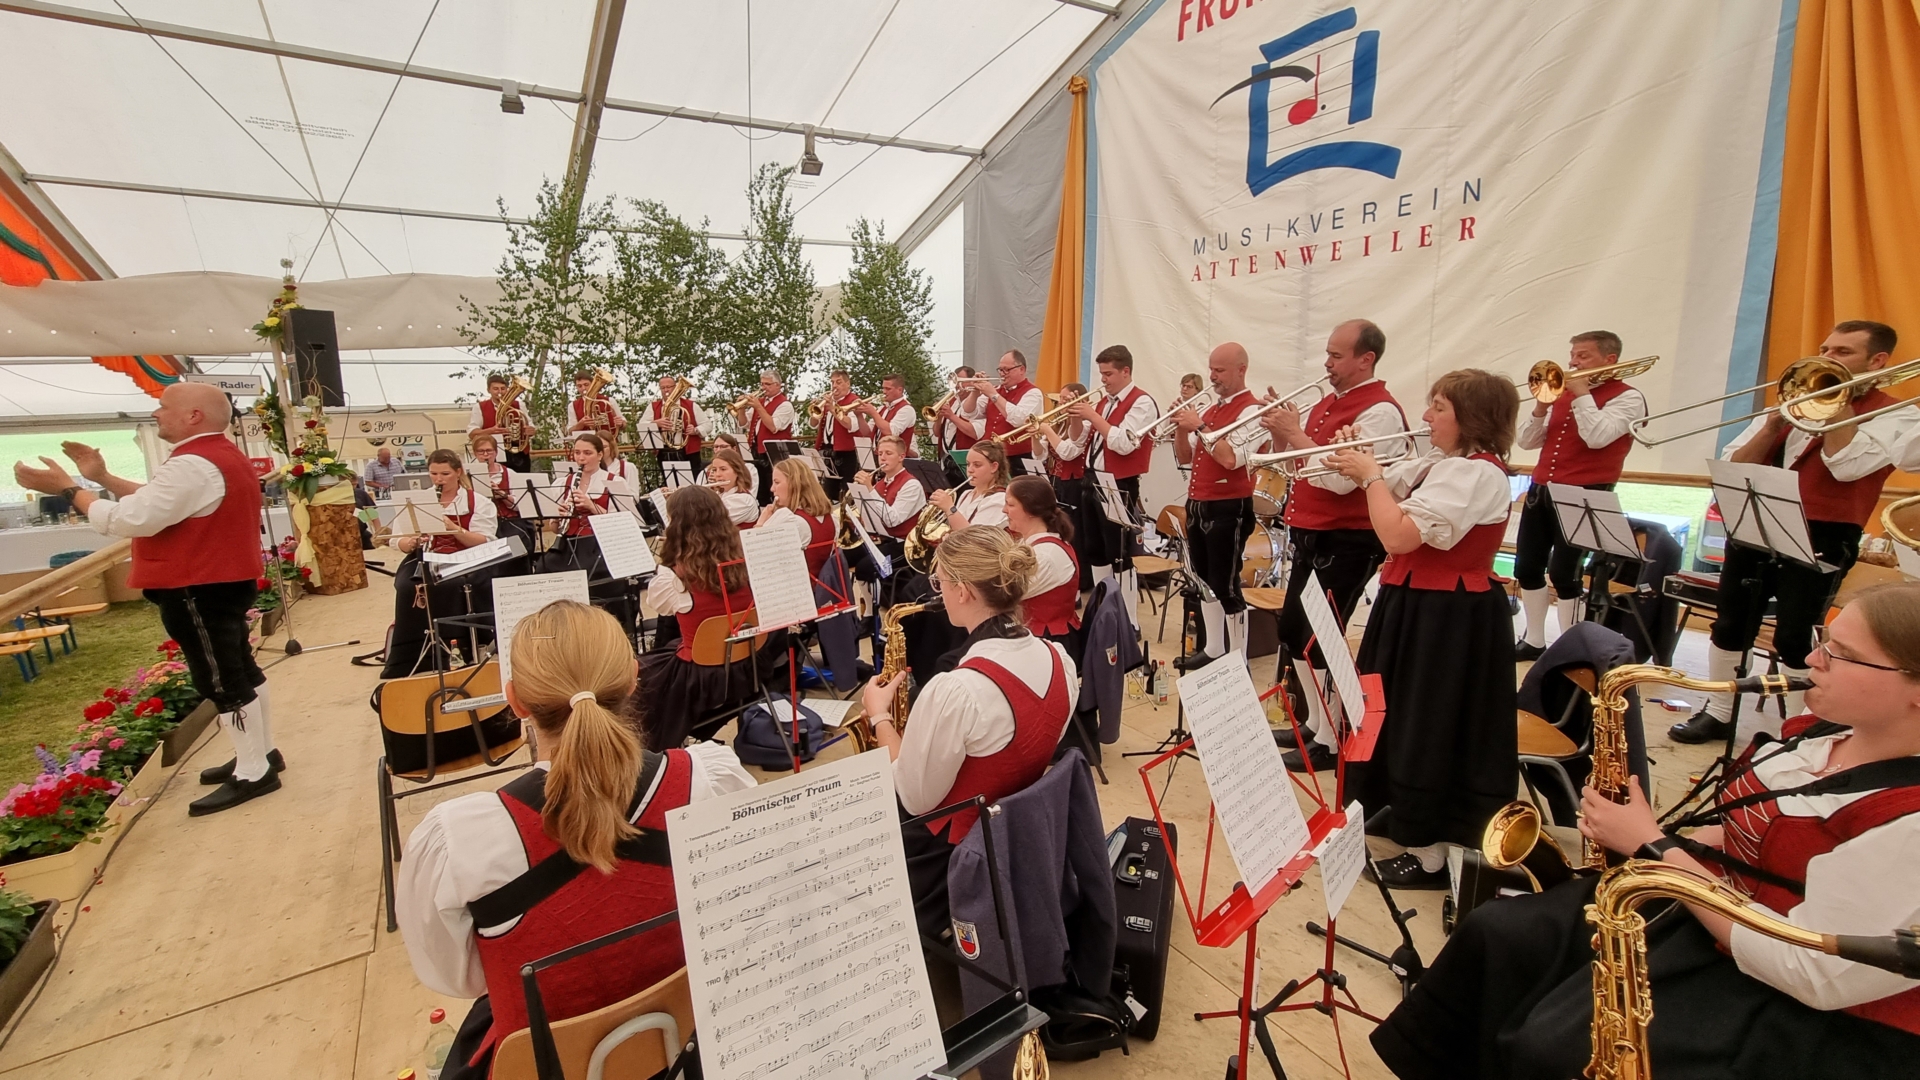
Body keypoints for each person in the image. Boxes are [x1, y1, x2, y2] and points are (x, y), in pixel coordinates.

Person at [1371, 581, 1920, 1079]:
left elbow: (1810, 972)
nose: (1812, 658)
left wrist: (1653, 845)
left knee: (1559, 1047)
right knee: (1497, 933)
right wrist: (1653, 837)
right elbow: (1762, 837)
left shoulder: (1909, 828)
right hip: (1717, 910)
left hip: (1804, 1003)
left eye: (1841, 654)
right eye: (1825, 641)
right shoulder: (1823, 733)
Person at [396, 600, 754, 1080]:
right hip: (688, 1050)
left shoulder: (460, 839)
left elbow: (458, 978)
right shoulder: (708, 781)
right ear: (633, 679)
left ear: (515, 701)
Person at [13, 383, 280, 816]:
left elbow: (129, 518)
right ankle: (261, 754)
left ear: (193, 416)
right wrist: (99, 479)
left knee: (222, 680)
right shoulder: (215, 456)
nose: (155, 413)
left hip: (198, 585)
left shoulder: (193, 462)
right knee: (240, 669)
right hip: (221, 580)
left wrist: (68, 489)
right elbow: (158, 500)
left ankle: (255, 771)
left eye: (163, 406)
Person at [1675, 320, 1919, 743]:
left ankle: (1798, 729)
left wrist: (1837, 402)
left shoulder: (1896, 413)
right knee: (1731, 622)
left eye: (1842, 352)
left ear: (1877, 361)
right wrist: (1772, 424)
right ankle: (1719, 711)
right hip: (1758, 521)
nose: (1826, 358)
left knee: (1794, 634)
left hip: (1826, 532)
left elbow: (1847, 467)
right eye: (1825, 349)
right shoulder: (1796, 399)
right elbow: (1732, 465)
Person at [1326, 369, 1520, 888]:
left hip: (1448, 616)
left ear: (1470, 418)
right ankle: (1396, 811)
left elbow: (1398, 535)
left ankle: (1433, 850)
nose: (1426, 416)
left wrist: (1370, 477)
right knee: (1395, 714)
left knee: (1430, 723)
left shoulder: (1477, 475)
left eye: (1439, 407)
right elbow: (1379, 487)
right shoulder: (1441, 465)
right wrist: (1356, 459)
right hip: (1417, 604)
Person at [861, 525, 1078, 938]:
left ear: (962, 591)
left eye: (939, 582)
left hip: (951, 862)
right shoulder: (1059, 659)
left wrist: (879, 716)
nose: (937, 592)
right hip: (1021, 834)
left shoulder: (958, 690)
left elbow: (915, 799)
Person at [1259, 319, 1409, 771]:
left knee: (1320, 638)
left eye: (1336, 356)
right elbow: (1300, 466)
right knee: (1292, 631)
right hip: (1312, 532)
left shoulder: (1380, 412)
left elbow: (1341, 480)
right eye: (1327, 353)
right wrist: (1281, 431)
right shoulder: (1329, 402)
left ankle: (1332, 736)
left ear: (1367, 359)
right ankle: (1315, 722)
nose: (1327, 363)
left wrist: (1295, 433)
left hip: (1348, 538)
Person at [1512, 330, 1648, 659]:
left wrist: (1582, 393)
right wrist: (1541, 407)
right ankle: (1534, 640)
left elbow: (1598, 437)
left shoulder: (1629, 398)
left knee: (1565, 574)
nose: (1573, 362)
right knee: (1527, 568)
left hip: (1586, 493)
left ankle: (1569, 648)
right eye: (1573, 355)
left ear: (1609, 359)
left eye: (1583, 356)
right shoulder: (1563, 394)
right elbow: (1526, 442)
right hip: (1542, 490)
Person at [636, 486, 758, 751]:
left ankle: (652, 748)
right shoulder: (745, 559)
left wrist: (668, 562)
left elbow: (659, 606)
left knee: (635, 677)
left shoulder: (674, 577)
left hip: (700, 676)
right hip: (748, 664)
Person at [1171, 342, 1269, 668]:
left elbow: (1230, 459)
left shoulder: (1251, 411)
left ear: (1241, 370)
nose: (1213, 376)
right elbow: (1185, 457)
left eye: (1220, 370)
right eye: (1211, 369)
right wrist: (1180, 427)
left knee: (1226, 585)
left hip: (1228, 506)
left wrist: (1198, 425)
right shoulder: (1211, 410)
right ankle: (1213, 648)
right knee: (1203, 580)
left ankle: (1238, 658)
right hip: (1198, 502)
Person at [379, 450, 500, 679]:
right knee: (407, 586)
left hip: (465, 558)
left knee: (450, 585)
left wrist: (452, 527)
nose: (439, 479)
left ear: (458, 472)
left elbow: (484, 541)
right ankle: (411, 656)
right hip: (425, 556)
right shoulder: (416, 501)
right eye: (434, 474)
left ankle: (457, 652)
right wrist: (410, 542)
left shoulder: (478, 502)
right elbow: (397, 541)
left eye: (445, 474)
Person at [1070, 345, 1158, 629]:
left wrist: (1093, 416)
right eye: (1102, 373)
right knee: (1095, 550)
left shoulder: (1142, 402)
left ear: (1125, 371)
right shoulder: (1103, 403)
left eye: (1108, 374)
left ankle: (1129, 621)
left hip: (1119, 483)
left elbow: (1123, 443)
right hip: (1091, 479)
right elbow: (1078, 440)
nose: (1103, 379)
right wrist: (1075, 417)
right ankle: (1103, 613)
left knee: (1120, 554)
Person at [1006, 475, 1080, 648]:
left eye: (1010, 505)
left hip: (1047, 643)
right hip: (1030, 635)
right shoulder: (1030, 542)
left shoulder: (1045, 556)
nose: (1004, 510)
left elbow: (1005, 594)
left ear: (1030, 510)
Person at [1036, 382, 1094, 589]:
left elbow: (1068, 452)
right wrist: (1035, 436)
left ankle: (1081, 580)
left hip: (1075, 482)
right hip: (1056, 479)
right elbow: (1040, 455)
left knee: (1074, 531)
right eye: (1060, 398)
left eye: (1065, 399)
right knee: (1058, 528)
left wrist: (1046, 430)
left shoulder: (1084, 424)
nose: (1060, 402)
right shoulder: (1059, 424)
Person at [851, 436, 927, 583]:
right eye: (880, 454)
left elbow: (892, 520)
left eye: (888, 453)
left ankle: (878, 597)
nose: (883, 458)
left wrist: (869, 489)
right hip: (882, 540)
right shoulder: (880, 483)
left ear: (901, 457)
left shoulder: (911, 485)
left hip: (905, 545)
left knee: (865, 568)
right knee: (842, 556)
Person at [539, 434, 615, 575]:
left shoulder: (614, 481)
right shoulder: (563, 483)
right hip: (567, 543)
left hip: (598, 544)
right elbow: (555, 529)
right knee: (543, 567)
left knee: (584, 570)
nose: (581, 458)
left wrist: (591, 506)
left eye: (587, 453)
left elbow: (620, 523)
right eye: (577, 452)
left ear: (599, 455)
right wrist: (558, 517)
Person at [757, 457, 838, 581]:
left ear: (794, 485)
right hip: (822, 589)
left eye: (777, 482)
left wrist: (761, 523)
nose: (772, 489)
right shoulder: (832, 519)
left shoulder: (789, 520)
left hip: (792, 588)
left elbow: (757, 557)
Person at [466, 434, 535, 561]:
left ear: (496, 452)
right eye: (481, 451)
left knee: (518, 551)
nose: (485, 455)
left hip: (507, 522)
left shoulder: (509, 473)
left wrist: (502, 494)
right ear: (475, 454)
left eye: (489, 451)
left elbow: (520, 505)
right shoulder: (467, 475)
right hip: (479, 524)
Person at [732, 368, 796, 503]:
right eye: (762, 384)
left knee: (772, 490)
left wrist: (758, 407)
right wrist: (741, 409)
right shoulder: (760, 402)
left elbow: (773, 427)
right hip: (756, 450)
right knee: (758, 490)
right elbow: (744, 424)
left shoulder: (785, 405)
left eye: (767, 384)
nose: (763, 387)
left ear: (778, 385)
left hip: (774, 455)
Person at [981, 351, 1046, 475]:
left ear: (1021, 369)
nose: (1002, 374)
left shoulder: (1033, 393)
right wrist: (975, 392)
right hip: (990, 455)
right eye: (1000, 370)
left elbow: (1019, 420)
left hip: (1018, 459)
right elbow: (970, 413)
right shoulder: (996, 390)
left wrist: (993, 395)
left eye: (1006, 370)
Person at [927, 442, 1010, 531]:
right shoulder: (966, 494)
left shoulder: (999, 499)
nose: (970, 470)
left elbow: (974, 535)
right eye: (968, 464)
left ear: (994, 467)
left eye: (977, 465)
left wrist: (949, 508)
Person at [466, 373, 534, 473]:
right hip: (493, 454)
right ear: (488, 390)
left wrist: (530, 431)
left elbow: (531, 427)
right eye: (495, 389)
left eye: (503, 389)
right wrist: (491, 431)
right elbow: (472, 433)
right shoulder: (479, 407)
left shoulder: (520, 405)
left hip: (519, 454)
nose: (500, 392)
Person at [934, 367, 988, 487]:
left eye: (962, 381)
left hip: (966, 463)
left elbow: (974, 433)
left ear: (972, 381)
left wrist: (951, 416)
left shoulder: (980, 402)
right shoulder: (952, 401)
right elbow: (937, 433)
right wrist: (938, 418)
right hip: (947, 461)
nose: (958, 385)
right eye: (956, 381)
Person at [812, 370, 866, 492]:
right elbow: (813, 424)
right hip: (828, 452)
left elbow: (852, 426)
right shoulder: (829, 402)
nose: (834, 386)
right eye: (832, 382)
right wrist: (816, 409)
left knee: (846, 491)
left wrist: (833, 409)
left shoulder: (854, 401)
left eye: (839, 382)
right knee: (828, 491)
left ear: (848, 384)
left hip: (847, 455)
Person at [641, 375, 698, 469]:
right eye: (662, 388)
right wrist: (655, 423)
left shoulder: (691, 405)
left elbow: (707, 425)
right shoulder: (653, 406)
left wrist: (695, 430)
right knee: (668, 477)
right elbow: (641, 424)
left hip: (687, 450)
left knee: (692, 477)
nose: (666, 390)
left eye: (668, 387)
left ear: (675, 387)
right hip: (663, 450)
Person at [859, 373, 919, 457]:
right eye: (883, 388)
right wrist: (859, 416)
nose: (884, 392)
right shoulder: (882, 408)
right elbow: (867, 433)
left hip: (896, 459)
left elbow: (890, 432)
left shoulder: (907, 409)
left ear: (900, 390)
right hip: (879, 455)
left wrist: (873, 413)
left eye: (888, 389)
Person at [703, 447, 759, 527]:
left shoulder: (744, 500)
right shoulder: (721, 494)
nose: (717, 474)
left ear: (737, 471)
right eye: (715, 470)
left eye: (723, 469)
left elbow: (710, 524)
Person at [568, 371, 625, 445]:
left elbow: (624, 424)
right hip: (587, 445)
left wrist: (621, 423)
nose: (583, 388)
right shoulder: (572, 406)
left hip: (609, 444)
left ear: (592, 384)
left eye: (586, 385)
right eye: (579, 386)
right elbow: (570, 431)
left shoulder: (610, 401)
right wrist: (580, 424)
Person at [703, 432, 760, 498]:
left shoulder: (749, 468)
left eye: (723, 446)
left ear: (734, 449)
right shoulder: (706, 471)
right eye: (716, 447)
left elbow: (752, 493)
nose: (718, 450)